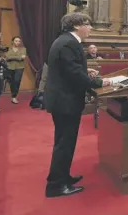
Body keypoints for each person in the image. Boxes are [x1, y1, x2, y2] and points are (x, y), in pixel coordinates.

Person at [45, 13, 111, 198]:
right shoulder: (69, 43)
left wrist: (85, 69)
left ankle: (63, 176)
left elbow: (69, 68)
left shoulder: (66, 40)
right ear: (76, 25)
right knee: (64, 144)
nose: (90, 28)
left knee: (65, 142)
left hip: (64, 99)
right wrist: (99, 83)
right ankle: (56, 186)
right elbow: (73, 73)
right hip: (65, 101)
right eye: (88, 24)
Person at [5, 36, 26, 104]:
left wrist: (12, 57)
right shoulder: (8, 49)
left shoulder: (23, 49)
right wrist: (18, 57)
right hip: (9, 67)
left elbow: (23, 58)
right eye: (16, 41)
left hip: (19, 67)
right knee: (11, 82)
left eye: (19, 41)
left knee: (17, 81)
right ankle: (13, 94)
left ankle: (14, 96)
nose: (18, 42)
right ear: (13, 41)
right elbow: (7, 58)